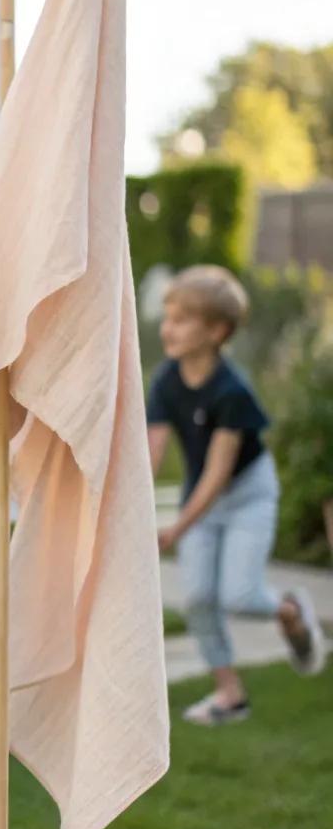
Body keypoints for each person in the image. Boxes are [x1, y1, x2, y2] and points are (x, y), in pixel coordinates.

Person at [147, 265, 325, 726]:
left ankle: (291, 611)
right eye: (168, 316)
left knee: (241, 596)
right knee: (198, 598)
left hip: (247, 495)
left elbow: (219, 472)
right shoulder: (166, 381)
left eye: (181, 319)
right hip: (202, 499)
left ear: (217, 331)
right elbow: (151, 452)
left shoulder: (233, 391)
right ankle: (230, 693)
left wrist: (176, 529)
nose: (168, 328)